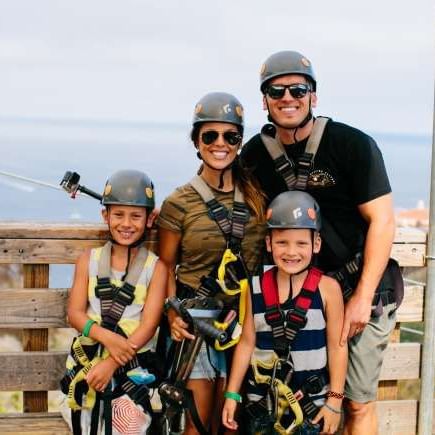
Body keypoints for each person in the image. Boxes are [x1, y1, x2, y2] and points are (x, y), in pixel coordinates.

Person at [240, 50, 401, 434]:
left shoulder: (352, 145)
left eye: (298, 89)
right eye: (276, 92)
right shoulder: (255, 156)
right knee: (302, 403)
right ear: (264, 101)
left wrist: (362, 298)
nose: (287, 98)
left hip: (357, 288)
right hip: (295, 294)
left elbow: (383, 221)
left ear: (314, 96)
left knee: (356, 403)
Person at [157, 92, 267, 434]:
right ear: (196, 141)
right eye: (210, 136)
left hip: (245, 322)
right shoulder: (179, 202)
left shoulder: (256, 197)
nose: (220, 144)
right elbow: (165, 265)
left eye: (230, 136)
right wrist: (172, 313)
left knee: (233, 424)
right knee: (199, 423)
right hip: (197, 321)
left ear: (239, 141)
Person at [222, 191, 347, 434]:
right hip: (263, 407)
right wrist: (232, 393)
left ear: (316, 244)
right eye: (282, 242)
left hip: (312, 407)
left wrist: (335, 401)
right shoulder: (255, 288)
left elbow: (337, 347)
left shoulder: (328, 289)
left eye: (301, 243)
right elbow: (247, 343)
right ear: (269, 243)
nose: (291, 252)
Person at [60, 169, 167, 435]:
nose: (126, 223)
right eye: (118, 214)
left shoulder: (156, 269)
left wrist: (111, 363)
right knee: (86, 423)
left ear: (149, 219)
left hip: (128, 371)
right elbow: (74, 314)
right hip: (88, 368)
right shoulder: (89, 260)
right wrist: (107, 339)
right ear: (105, 216)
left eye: (135, 216)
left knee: (127, 424)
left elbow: (149, 325)